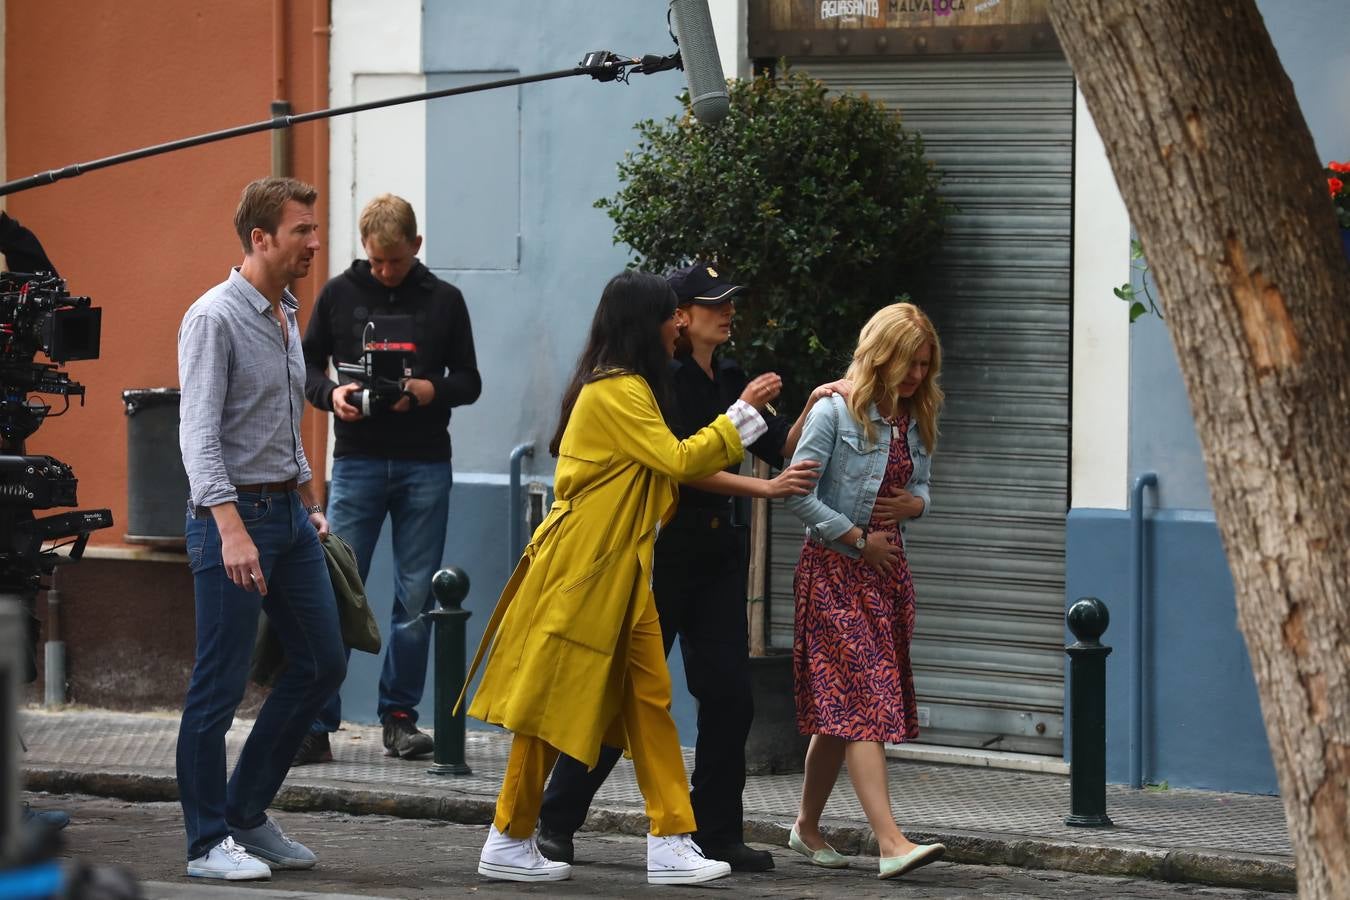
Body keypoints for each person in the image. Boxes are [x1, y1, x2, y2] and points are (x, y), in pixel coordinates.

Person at [463, 270, 780, 885]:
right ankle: (508, 835)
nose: (677, 326)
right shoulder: (617, 390)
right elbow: (679, 459)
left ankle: (670, 838)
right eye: (670, 315)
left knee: (649, 701)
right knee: (550, 703)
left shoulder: (626, 385)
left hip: (620, 568)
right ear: (648, 323)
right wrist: (741, 417)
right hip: (585, 568)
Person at [536, 262, 844, 872]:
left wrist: (813, 404)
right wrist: (767, 489)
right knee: (624, 696)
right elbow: (681, 463)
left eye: (729, 300)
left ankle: (717, 833)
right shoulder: (656, 381)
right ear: (679, 315)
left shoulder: (728, 373)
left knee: (731, 696)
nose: (726, 311)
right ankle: (556, 819)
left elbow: (778, 444)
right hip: (663, 553)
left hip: (719, 554)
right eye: (712, 303)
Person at [176, 176, 346, 881]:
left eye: (313, 228)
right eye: (302, 230)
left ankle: (245, 814)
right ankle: (205, 842)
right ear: (260, 238)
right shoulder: (214, 317)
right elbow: (197, 433)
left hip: (287, 514)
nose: (314, 241)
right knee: (218, 684)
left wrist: (306, 497)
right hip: (232, 519)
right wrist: (229, 528)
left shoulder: (284, 312)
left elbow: (279, 418)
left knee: (322, 662)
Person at [297, 193, 480, 765]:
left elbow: (470, 381)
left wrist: (430, 391)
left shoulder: (446, 301)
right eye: (375, 261)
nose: (383, 271)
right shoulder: (338, 294)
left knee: (415, 597)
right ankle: (316, 723)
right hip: (356, 461)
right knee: (336, 588)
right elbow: (303, 368)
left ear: (416, 247)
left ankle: (400, 719)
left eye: (394, 261)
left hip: (426, 460)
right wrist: (334, 396)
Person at [781, 302, 949, 879]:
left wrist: (916, 505)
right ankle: (891, 841)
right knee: (866, 704)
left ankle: (805, 828)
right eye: (908, 362)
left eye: (925, 365)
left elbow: (922, 484)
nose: (916, 376)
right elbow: (796, 493)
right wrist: (857, 538)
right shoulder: (835, 412)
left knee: (841, 711)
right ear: (882, 355)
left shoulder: (913, 417)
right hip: (834, 570)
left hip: (887, 575)